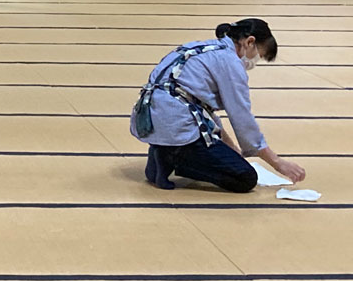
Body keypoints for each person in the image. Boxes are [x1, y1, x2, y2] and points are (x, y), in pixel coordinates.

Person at [130, 19, 305, 193]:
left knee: (229, 159)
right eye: (259, 55)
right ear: (250, 42)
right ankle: (175, 159)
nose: (255, 61)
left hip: (151, 118)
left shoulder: (200, 47)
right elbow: (242, 118)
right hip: (176, 123)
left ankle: (163, 152)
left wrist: (233, 151)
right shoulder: (230, 62)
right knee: (245, 178)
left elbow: (204, 112)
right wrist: (278, 163)